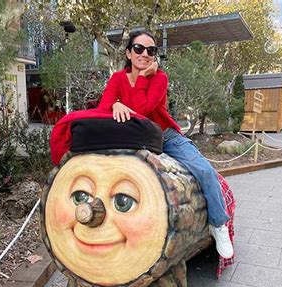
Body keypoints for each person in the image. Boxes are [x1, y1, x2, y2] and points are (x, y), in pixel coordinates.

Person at [97, 30, 234, 258]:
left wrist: (141, 79)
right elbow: (102, 108)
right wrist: (114, 106)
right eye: (139, 49)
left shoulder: (159, 77)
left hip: (165, 136)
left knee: (204, 170)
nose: (145, 54)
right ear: (129, 53)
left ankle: (218, 225)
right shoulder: (118, 79)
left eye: (150, 50)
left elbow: (143, 109)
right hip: (132, 140)